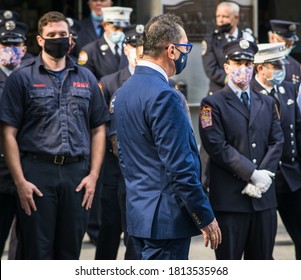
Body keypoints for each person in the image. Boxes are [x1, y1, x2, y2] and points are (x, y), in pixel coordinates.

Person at [0, 11, 109, 260]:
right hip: (37, 175)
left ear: (70, 38)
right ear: (40, 40)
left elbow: (99, 128)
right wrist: (20, 182)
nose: (57, 39)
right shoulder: (21, 79)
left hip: (76, 176)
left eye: (62, 34)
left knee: (70, 251)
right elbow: (8, 132)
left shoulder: (87, 78)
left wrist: (93, 176)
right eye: (51, 35)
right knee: (37, 252)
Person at [114, 13, 221, 260]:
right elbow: (180, 169)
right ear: (171, 50)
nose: (187, 53)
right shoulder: (165, 95)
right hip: (165, 221)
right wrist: (204, 216)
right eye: (185, 48)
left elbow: (125, 157)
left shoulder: (125, 90)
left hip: (140, 214)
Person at [199, 39, 284, 260]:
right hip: (231, 202)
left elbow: (277, 141)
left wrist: (263, 176)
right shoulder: (212, 104)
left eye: (248, 63)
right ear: (227, 67)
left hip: (263, 201)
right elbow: (217, 146)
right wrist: (252, 174)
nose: (243, 69)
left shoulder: (266, 102)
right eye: (238, 63)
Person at [78, 5, 131, 246]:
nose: (118, 31)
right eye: (114, 26)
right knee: (103, 189)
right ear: (105, 26)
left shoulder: (130, 51)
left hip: (127, 125)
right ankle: (96, 228)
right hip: (103, 122)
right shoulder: (90, 51)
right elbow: (89, 89)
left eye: (122, 27)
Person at [95, 24, 144, 260]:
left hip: (142, 174)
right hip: (114, 172)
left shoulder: (158, 81)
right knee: (109, 231)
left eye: (144, 46)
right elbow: (100, 125)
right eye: (135, 46)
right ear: (127, 49)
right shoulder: (110, 81)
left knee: (135, 238)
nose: (140, 51)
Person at [250, 42, 301, 259]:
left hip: (291, 176)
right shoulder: (249, 93)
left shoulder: (288, 89)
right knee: (263, 245)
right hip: (264, 178)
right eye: (277, 66)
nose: (282, 70)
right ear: (261, 68)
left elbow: (298, 130)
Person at [0, 18, 28, 259]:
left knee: (25, 243)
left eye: (16, 44)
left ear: (25, 48)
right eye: (5, 44)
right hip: (1, 170)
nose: (11, 49)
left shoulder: (33, 74)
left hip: (29, 167)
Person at [201, 1, 255, 96]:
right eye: (218, 16)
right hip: (220, 91)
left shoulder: (247, 38)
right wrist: (232, 80)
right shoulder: (211, 39)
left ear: (236, 17)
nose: (220, 20)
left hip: (244, 90)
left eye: (225, 16)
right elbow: (210, 68)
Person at [78, 6, 131, 80]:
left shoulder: (131, 48)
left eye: (124, 29)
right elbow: (85, 80)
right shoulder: (90, 51)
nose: (120, 32)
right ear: (105, 25)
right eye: (116, 28)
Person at [268, 19, 301, 86]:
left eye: (290, 45)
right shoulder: (259, 60)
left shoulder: (296, 66)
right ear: (272, 38)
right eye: (285, 44)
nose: (287, 48)